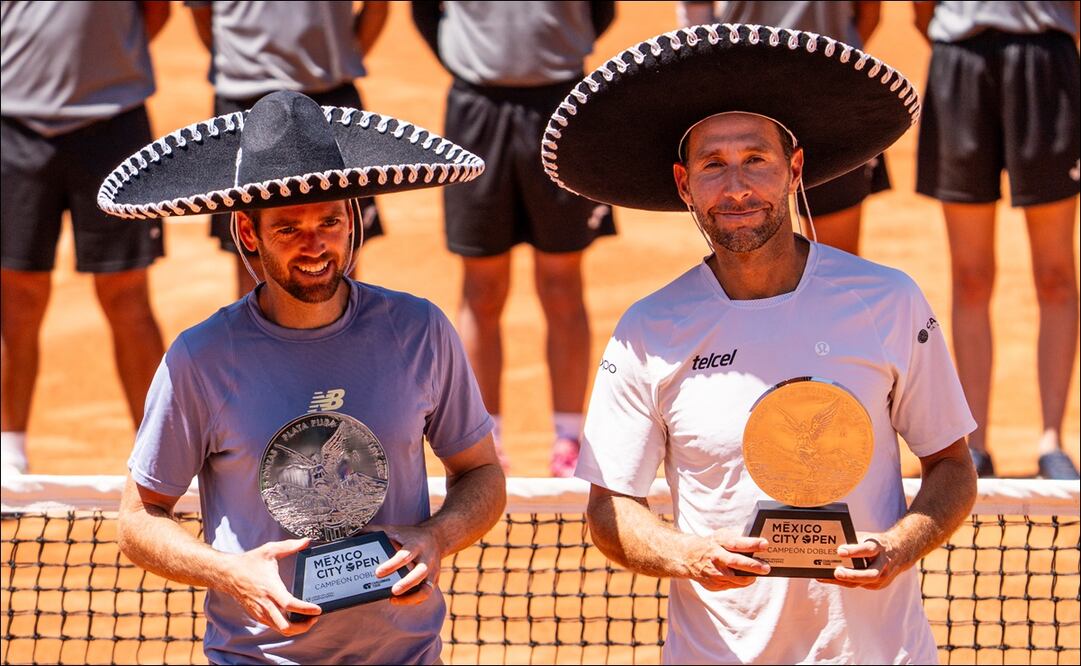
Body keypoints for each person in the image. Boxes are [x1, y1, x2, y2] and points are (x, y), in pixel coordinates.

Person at [541, 24, 978, 663]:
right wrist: (687, 555)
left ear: (793, 169)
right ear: (684, 185)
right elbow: (610, 510)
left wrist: (899, 546)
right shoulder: (648, 329)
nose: (737, 188)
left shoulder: (887, 300)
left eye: (756, 160)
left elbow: (952, 466)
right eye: (712, 166)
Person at [105, 90, 505, 663]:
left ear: (354, 219)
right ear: (247, 233)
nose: (316, 246)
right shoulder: (201, 358)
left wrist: (436, 536)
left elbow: (482, 472)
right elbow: (139, 518)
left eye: (330, 221)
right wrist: (231, 572)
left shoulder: (420, 330)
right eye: (288, 228)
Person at [411, 1, 618, 476]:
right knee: (482, 287)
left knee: (562, 282)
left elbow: (602, 11)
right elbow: (425, 12)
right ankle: (486, 438)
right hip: (476, 110)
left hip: (564, 105)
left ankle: (568, 437)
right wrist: (471, 58)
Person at [1, 1, 170, 474]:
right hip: (11, 125)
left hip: (113, 123)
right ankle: (7, 454)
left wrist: (107, 70)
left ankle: (160, 456)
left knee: (126, 294)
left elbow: (157, 12)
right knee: (16, 294)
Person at [914, 0, 1080, 480]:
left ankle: (1052, 441)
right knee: (970, 276)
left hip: (1045, 61)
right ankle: (976, 443)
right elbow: (920, 11)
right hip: (960, 63)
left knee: (1055, 275)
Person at [186, 0, 389, 299]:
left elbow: (377, 7)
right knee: (254, 255)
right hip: (245, 99)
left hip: (329, 96)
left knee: (337, 253)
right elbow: (202, 14)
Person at [676, 1, 890, 256]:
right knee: (830, 257)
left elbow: (696, 18)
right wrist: (831, 60)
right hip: (825, 86)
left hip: (746, 86)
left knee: (753, 247)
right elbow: (870, 14)